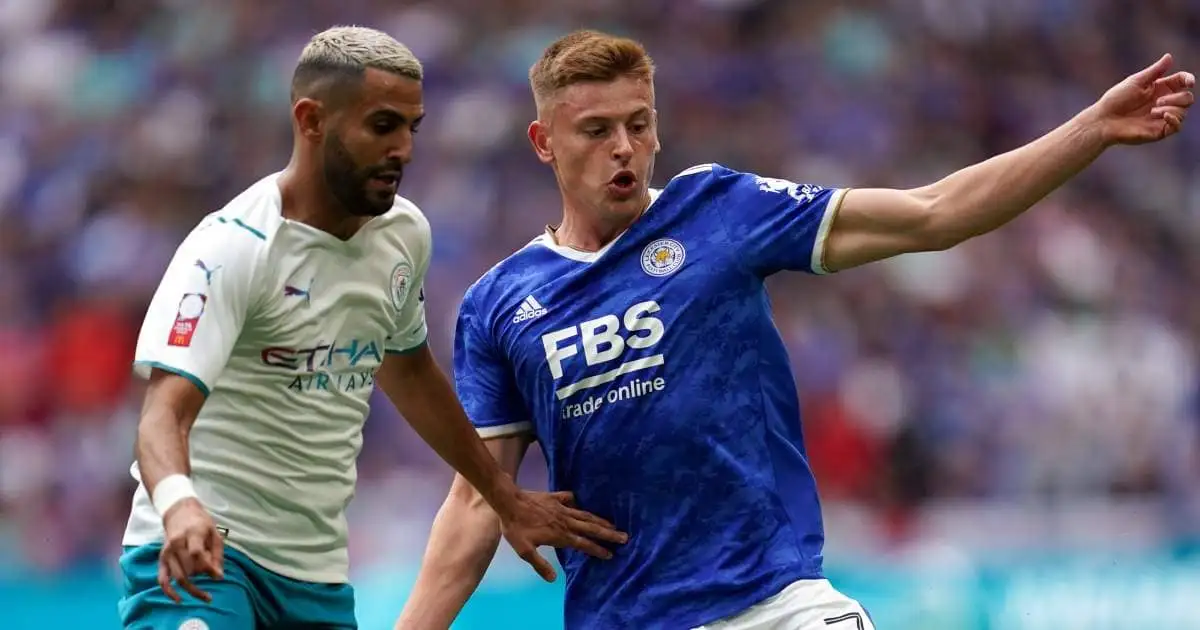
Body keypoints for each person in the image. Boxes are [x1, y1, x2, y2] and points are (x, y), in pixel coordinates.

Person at [394, 28, 1194, 630]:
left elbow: (934, 214)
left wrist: (1088, 128)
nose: (624, 148)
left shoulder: (719, 209)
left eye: (638, 124)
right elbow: (474, 501)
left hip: (776, 604)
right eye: (595, 130)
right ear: (543, 143)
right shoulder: (502, 303)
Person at [117, 26, 626, 630]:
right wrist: (178, 506)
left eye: (412, 128)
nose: (404, 149)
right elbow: (162, 414)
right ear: (311, 120)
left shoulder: (403, 235)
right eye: (383, 126)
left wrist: (502, 494)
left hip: (316, 577)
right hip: (204, 556)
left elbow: (408, 368)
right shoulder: (233, 248)